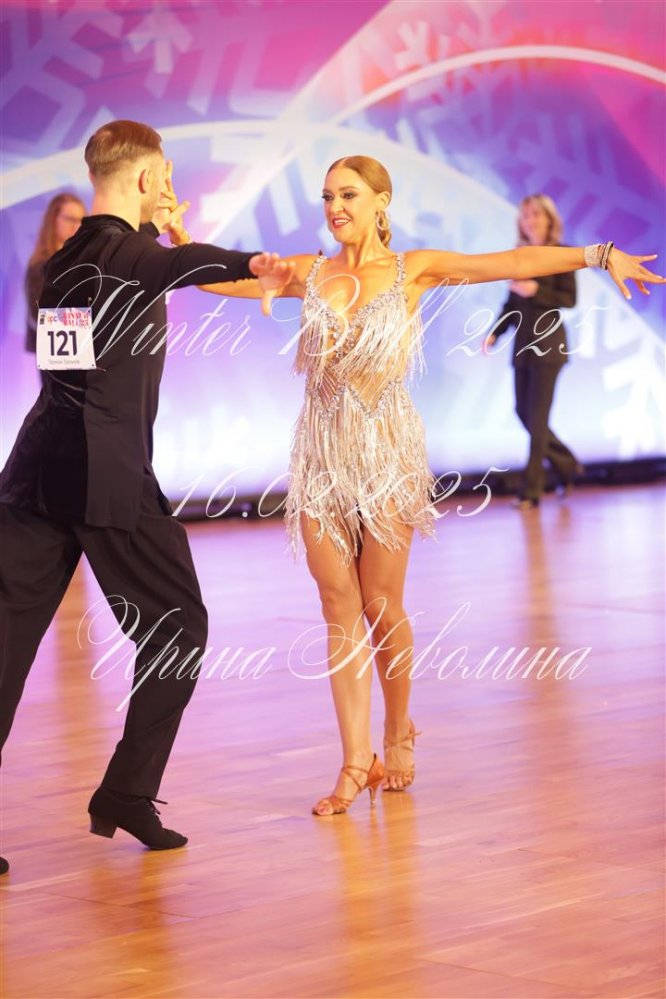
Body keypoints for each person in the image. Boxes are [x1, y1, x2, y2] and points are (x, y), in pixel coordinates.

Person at [203, 155, 663, 818]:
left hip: (387, 454)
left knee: (380, 603)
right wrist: (169, 239)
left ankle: (398, 727)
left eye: (349, 195)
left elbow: (510, 262)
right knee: (337, 604)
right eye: (327, 196)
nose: (335, 207)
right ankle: (354, 761)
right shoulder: (309, 271)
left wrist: (598, 254)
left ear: (380, 201)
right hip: (322, 457)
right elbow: (216, 280)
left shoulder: (412, 269)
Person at [0, 119, 290, 875]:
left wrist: (165, 232)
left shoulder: (65, 260)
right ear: (142, 177)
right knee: (180, 627)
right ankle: (128, 791)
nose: (168, 186)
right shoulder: (129, 255)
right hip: (105, 476)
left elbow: (85, 346)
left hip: (35, 472)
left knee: (5, 643)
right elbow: (179, 263)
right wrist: (250, 263)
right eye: (162, 175)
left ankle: (127, 793)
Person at [484, 194, 582, 508]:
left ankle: (531, 491)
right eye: (526, 215)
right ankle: (567, 465)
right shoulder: (520, 256)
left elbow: (569, 299)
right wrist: (495, 332)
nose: (530, 221)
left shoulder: (562, 255)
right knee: (523, 413)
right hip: (523, 346)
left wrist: (537, 289)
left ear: (549, 219)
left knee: (537, 422)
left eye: (536, 214)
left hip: (549, 346)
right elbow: (511, 304)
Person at [25, 193, 86, 358]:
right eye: (70, 219)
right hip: (55, 352)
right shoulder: (40, 265)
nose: (76, 226)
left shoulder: (87, 262)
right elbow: (37, 313)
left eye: (81, 220)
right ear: (53, 220)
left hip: (84, 349)